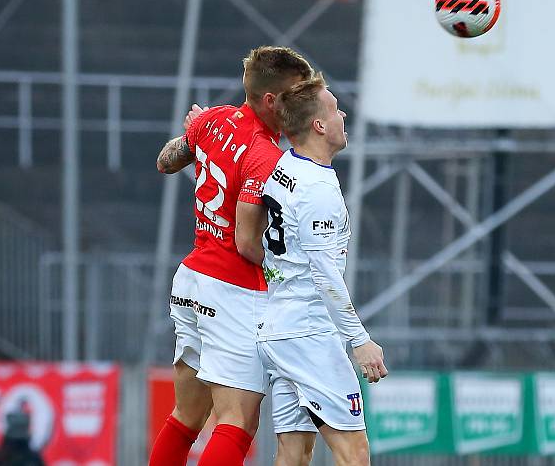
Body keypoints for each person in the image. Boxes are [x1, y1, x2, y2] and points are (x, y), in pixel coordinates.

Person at [151, 46, 316, 466]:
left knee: (186, 415)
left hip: (192, 279)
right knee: (237, 421)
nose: (305, 104)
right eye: (296, 95)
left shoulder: (214, 119)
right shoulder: (265, 156)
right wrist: (290, 273)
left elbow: (166, 161)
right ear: (270, 101)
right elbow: (246, 243)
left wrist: (198, 133)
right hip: (232, 290)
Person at [258, 74, 388, 466]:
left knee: (293, 453)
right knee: (354, 452)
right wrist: (360, 341)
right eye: (334, 109)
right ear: (319, 125)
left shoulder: (285, 167)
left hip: (277, 330)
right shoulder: (318, 190)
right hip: (310, 333)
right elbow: (325, 274)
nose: (342, 114)